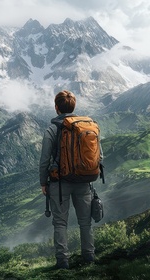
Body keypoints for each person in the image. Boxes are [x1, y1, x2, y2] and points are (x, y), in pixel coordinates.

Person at [39, 90, 100, 269]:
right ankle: (89, 258)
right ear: (74, 106)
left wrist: (43, 182)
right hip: (84, 181)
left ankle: (63, 262)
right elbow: (99, 156)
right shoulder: (88, 126)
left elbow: (44, 160)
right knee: (85, 222)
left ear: (56, 107)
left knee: (60, 223)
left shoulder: (52, 129)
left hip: (60, 184)